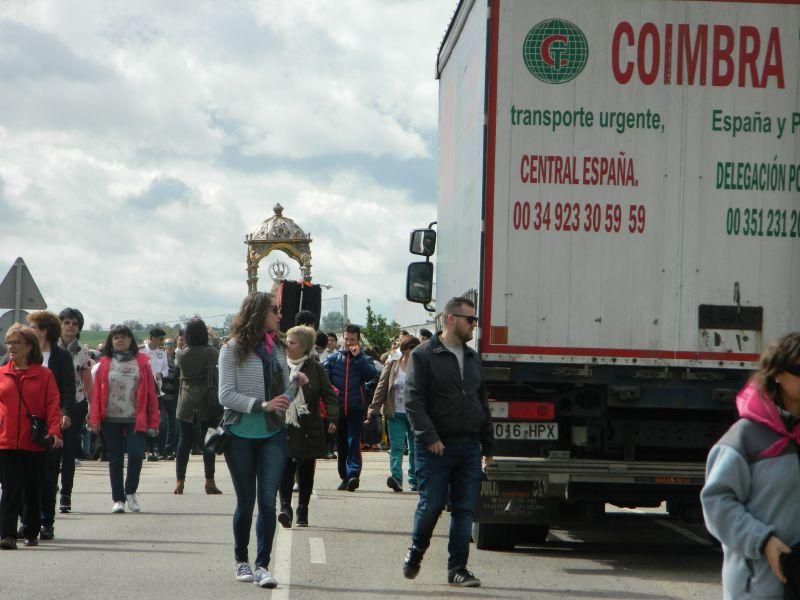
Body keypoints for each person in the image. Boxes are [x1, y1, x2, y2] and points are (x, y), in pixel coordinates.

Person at [403, 297, 494, 588]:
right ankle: (416, 552)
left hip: (468, 446)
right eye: (470, 320)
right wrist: (429, 437)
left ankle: (458, 568)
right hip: (435, 448)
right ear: (451, 319)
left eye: (475, 320)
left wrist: (488, 448)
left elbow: (482, 403)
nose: (474, 326)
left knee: (464, 510)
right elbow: (413, 401)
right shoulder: (424, 355)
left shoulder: (471, 357)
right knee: (431, 506)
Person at [701, 332, 800, 599]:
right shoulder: (745, 437)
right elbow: (717, 502)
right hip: (759, 587)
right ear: (777, 374)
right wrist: (762, 541)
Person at [219, 292, 302, 588]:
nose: (279, 316)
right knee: (246, 501)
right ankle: (241, 559)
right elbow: (225, 395)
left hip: (273, 434)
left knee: (268, 502)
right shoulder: (231, 349)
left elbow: (282, 397)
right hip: (239, 433)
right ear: (257, 312)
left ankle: (262, 565)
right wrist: (261, 404)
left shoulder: (278, 349)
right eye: (274, 310)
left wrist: (294, 384)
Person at [0, 325, 63, 549]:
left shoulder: (44, 375)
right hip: (6, 441)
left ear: (29, 346)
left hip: (34, 441)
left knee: (32, 488)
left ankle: (30, 529)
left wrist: (54, 431)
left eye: (16, 342)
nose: (11, 347)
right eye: (9, 342)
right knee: (10, 487)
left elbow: (53, 405)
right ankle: (6, 534)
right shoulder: (2, 373)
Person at [89, 325, 159, 513]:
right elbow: (96, 395)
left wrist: (154, 421)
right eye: (116, 337)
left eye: (124, 337)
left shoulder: (142, 363)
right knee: (115, 459)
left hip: (135, 418)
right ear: (111, 341)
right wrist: (94, 419)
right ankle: (118, 499)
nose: (120, 340)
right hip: (109, 418)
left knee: (136, 455)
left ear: (130, 340)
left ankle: (130, 491)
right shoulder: (104, 364)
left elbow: (151, 395)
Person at [277, 326, 338, 528]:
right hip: (283, 426)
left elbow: (329, 395)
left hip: (308, 427)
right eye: (286, 340)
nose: (287, 344)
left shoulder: (315, 368)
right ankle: (285, 507)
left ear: (304, 347)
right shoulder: (278, 365)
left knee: (305, 470)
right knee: (285, 469)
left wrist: (332, 418)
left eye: (292, 342)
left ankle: (303, 508)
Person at [26, 310, 76, 541]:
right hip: (24, 422)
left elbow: (67, 389)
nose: (29, 331)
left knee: (47, 476)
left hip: (50, 423)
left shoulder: (61, 357)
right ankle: (27, 522)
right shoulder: (20, 354)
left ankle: (47, 522)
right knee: (24, 475)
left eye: (33, 327)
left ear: (45, 330)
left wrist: (65, 414)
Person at [323, 324, 378, 491]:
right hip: (338, 409)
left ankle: (353, 474)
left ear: (358, 340)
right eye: (346, 339)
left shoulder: (364, 359)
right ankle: (344, 476)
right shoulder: (332, 359)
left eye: (352, 339)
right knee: (341, 444)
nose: (348, 342)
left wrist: (359, 357)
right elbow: (326, 383)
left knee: (353, 441)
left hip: (355, 407)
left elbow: (371, 375)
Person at [174, 318, 221, 495]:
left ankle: (180, 481)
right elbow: (220, 353)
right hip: (206, 399)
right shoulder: (210, 352)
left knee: (183, 441)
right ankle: (210, 480)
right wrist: (214, 336)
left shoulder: (180, 354)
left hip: (185, 399)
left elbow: (177, 369)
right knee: (208, 442)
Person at [368, 336, 420, 492]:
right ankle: (396, 479)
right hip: (395, 412)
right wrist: (373, 407)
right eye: (412, 349)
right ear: (405, 350)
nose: (416, 352)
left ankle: (415, 479)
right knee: (397, 447)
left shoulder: (422, 365)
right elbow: (382, 386)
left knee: (414, 448)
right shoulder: (392, 364)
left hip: (416, 414)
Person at [57, 307, 93, 514]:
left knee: (69, 452)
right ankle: (49, 489)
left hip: (77, 404)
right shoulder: (50, 348)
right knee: (52, 451)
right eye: (67, 322)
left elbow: (88, 382)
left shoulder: (83, 351)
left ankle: (66, 495)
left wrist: (92, 407)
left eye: (75, 323)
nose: (71, 326)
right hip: (53, 404)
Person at [141, 327, 168, 461]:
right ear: (152, 338)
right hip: (141, 388)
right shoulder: (141, 350)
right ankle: (145, 448)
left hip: (156, 388)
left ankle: (155, 449)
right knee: (142, 418)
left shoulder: (161, 352)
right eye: (160, 339)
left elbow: (166, 369)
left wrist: (160, 374)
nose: (162, 341)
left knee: (157, 419)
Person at [160, 337, 179, 459]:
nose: (169, 346)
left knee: (173, 425)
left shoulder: (178, 359)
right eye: (167, 344)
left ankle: (171, 449)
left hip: (174, 397)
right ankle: (162, 449)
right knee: (162, 424)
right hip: (162, 396)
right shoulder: (160, 360)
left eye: (171, 344)